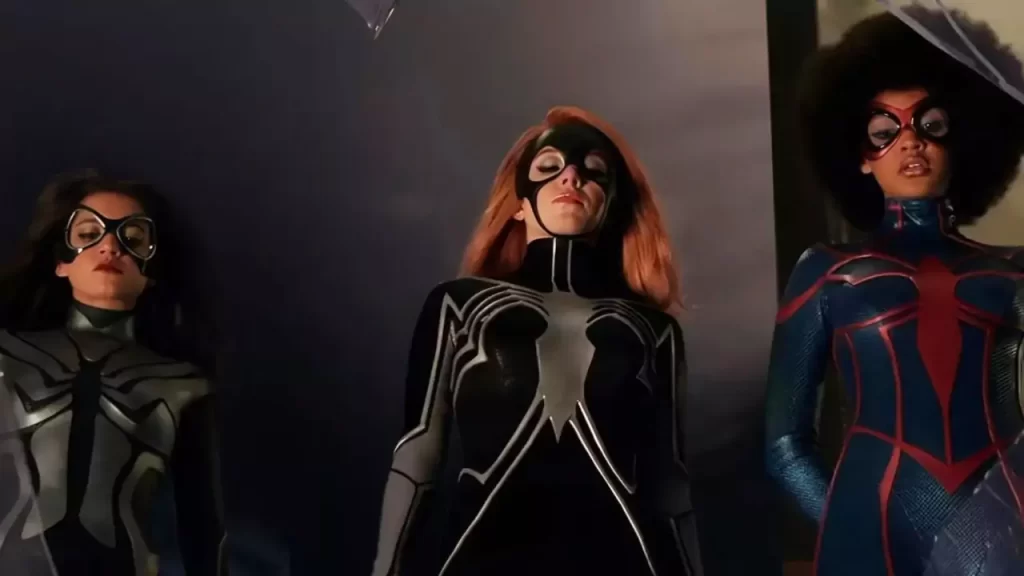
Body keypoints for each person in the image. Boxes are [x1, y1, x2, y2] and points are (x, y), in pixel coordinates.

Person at [370, 106, 702, 576]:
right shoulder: (458, 307)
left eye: (593, 171)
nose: (571, 176)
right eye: (550, 166)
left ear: (611, 203)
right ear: (519, 202)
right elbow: (416, 457)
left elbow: (670, 489)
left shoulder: (654, 331)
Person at [764, 9, 1024, 576]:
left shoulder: (1013, 271)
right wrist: (848, 523)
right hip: (869, 528)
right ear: (860, 156)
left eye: (932, 125)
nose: (911, 142)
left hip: (1000, 528)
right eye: (885, 133)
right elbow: (784, 444)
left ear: (964, 139)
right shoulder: (826, 271)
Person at [0, 171, 226, 576]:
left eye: (133, 240)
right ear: (60, 263)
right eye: (89, 234)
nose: (110, 246)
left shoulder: (184, 385)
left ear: (151, 271)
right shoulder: (6, 356)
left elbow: (204, 530)